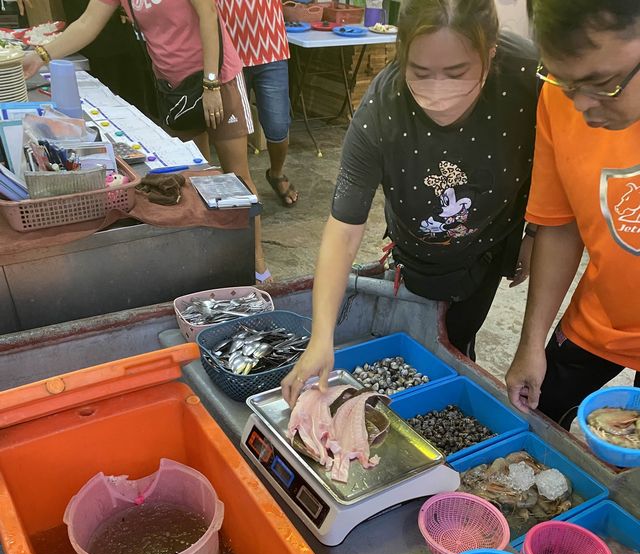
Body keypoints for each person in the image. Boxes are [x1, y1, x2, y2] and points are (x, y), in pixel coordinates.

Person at [282, 0, 539, 405]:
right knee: (428, 337)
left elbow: (561, 166)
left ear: (491, 53)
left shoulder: (529, 77)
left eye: (457, 74)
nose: (437, 93)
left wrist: (535, 229)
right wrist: (321, 337)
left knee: (461, 335)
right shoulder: (380, 111)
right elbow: (344, 230)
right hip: (417, 248)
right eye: (420, 73)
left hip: (491, 240)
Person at [22, 0, 272, 285]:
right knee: (196, 178)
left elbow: (209, 14)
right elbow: (87, 23)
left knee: (236, 178)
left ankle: (257, 262)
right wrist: (40, 55)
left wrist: (211, 83)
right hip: (174, 88)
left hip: (218, 79)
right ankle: (215, 262)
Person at [506, 0, 640, 428]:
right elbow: (560, 224)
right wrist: (531, 343)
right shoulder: (560, 101)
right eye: (566, 81)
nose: (582, 105)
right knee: (535, 421)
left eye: (603, 83)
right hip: (605, 316)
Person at [217, 0, 299, 211]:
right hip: (227, 54)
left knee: (278, 126)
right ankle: (241, 189)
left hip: (271, 48)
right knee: (232, 130)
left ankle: (276, 173)